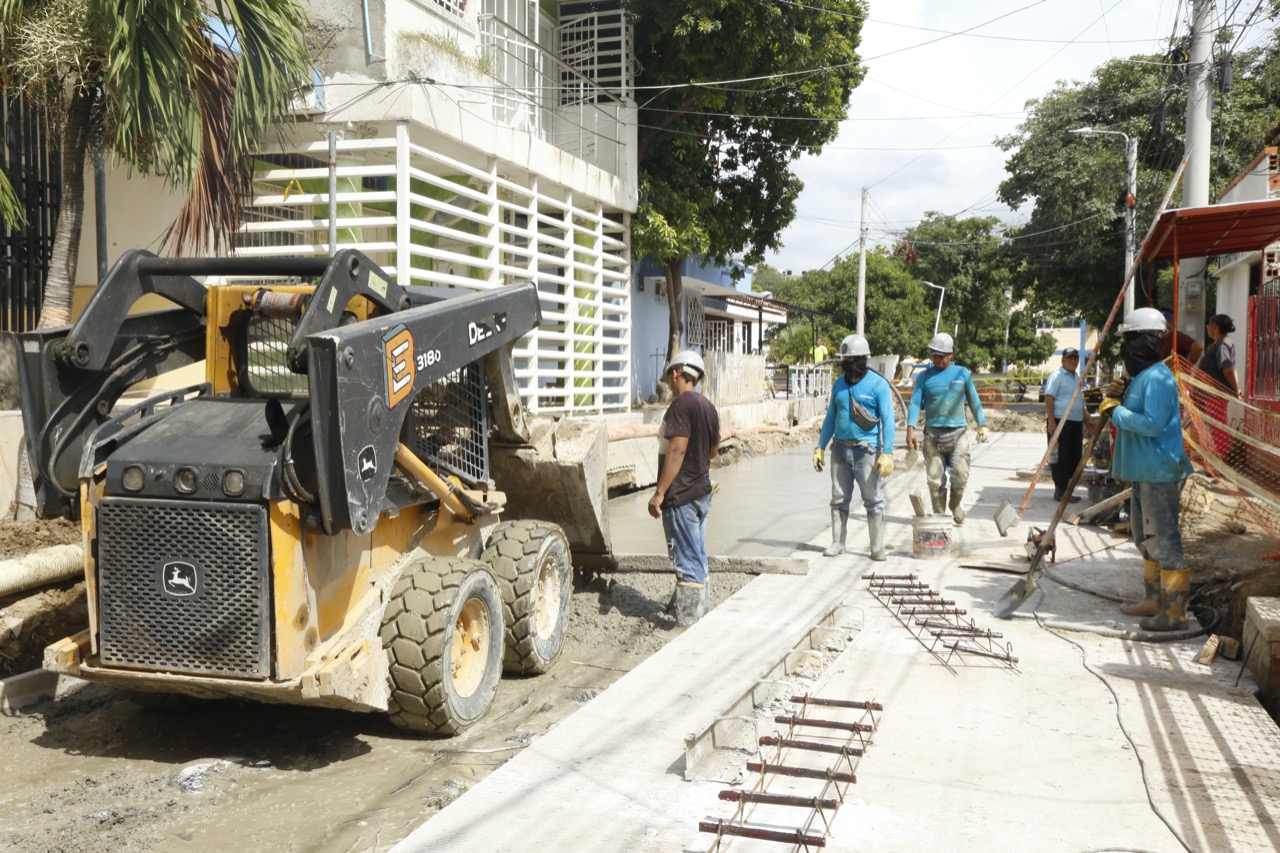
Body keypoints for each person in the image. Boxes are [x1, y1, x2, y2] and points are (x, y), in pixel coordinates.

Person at [1099, 307, 1194, 631]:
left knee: (1164, 540)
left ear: (1143, 343)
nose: (1126, 349)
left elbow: (1152, 424)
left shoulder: (1158, 378)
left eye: (1129, 341)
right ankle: (1154, 600)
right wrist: (1121, 394)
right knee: (1144, 537)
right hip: (1144, 471)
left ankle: (1175, 613)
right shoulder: (1143, 377)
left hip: (1160, 471)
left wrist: (1117, 412)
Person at [648, 350, 720, 626]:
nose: (669, 380)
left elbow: (676, 450)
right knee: (698, 554)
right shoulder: (708, 407)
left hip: (682, 497)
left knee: (686, 561)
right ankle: (701, 612)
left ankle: (688, 624)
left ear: (676, 373)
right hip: (702, 493)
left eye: (669, 376)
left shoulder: (680, 406)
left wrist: (659, 494)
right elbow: (713, 451)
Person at [813, 334, 896, 560]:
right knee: (838, 498)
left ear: (862, 360)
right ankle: (838, 543)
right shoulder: (838, 385)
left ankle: (877, 548)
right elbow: (831, 416)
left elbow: (888, 420)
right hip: (839, 449)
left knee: (873, 500)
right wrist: (820, 446)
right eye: (844, 360)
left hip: (867, 451)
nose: (847, 364)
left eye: (851, 360)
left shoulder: (878, 385)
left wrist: (888, 452)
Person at [905, 332, 989, 524]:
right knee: (935, 481)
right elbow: (915, 403)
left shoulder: (962, 373)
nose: (938, 359)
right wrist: (910, 428)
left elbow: (974, 400)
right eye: (934, 354)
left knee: (960, 476)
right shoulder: (924, 377)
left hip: (958, 434)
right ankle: (939, 517)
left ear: (951, 354)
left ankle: (955, 504)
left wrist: (982, 424)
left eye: (942, 355)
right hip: (932, 436)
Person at [1042, 348, 1093, 503]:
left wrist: (1086, 418)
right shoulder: (1057, 376)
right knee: (1060, 458)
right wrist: (1051, 422)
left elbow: (1077, 400)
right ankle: (1060, 491)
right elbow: (1049, 399)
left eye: (1075, 359)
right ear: (1063, 360)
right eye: (1069, 359)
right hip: (1059, 421)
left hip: (1075, 422)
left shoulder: (1077, 377)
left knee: (1074, 456)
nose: (1072, 361)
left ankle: (1067, 490)